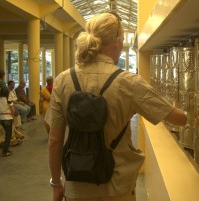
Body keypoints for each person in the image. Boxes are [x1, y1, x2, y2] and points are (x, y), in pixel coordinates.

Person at [46, 12, 187, 201]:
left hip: (78, 183)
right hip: (117, 185)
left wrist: (56, 184)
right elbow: (178, 119)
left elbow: (54, 140)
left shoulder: (63, 80)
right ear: (117, 42)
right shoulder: (129, 82)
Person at [0, 84, 14, 157]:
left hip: (1, 118)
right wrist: (13, 115)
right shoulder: (7, 98)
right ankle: (5, 151)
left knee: (5, 133)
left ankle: (6, 149)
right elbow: (12, 109)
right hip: (8, 117)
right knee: (8, 135)